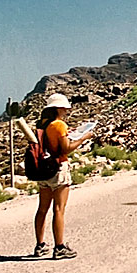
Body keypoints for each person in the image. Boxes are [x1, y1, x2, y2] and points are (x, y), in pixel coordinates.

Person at [33, 93, 92, 259]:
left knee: (42, 209)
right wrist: (83, 137)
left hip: (44, 170)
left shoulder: (43, 124)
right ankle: (59, 247)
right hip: (59, 169)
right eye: (64, 108)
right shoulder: (59, 125)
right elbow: (65, 148)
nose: (66, 111)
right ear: (58, 108)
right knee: (59, 209)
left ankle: (40, 245)